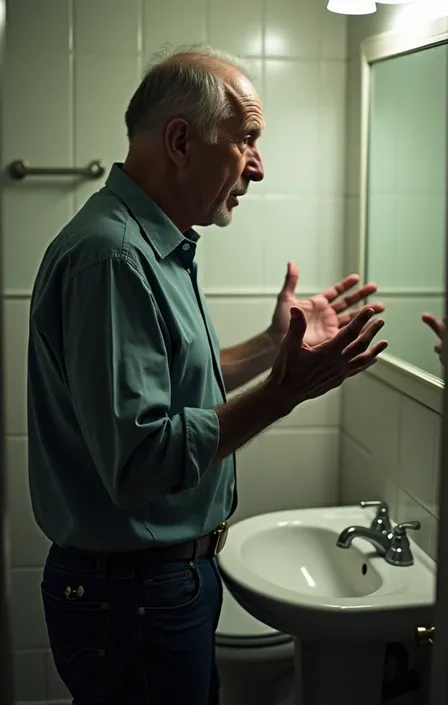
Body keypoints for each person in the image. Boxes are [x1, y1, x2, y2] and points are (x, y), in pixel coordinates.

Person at [27, 46, 387, 705]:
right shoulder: (114, 256)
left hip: (150, 590)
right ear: (181, 141)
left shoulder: (149, 244)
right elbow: (139, 459)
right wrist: (285, 390)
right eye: (247, 138)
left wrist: (272, 345)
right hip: (133, 597)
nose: (257, 164)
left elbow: (155, 391)